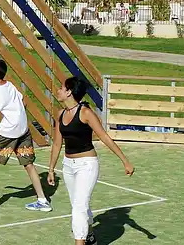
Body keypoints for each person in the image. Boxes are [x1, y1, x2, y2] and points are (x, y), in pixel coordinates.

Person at [46, 76, 135, 245]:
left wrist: (125, 161)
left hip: (87, 165)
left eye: (61, 88)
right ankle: (90, 235)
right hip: (68, 166)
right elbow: (57, 143)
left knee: (79, 207)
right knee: (78, 205)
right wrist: (51, 169)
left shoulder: (86, 113)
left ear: (69, 92)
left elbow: (104, 137)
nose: (58, 90)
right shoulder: (60, 114)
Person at [0, 59, 52, 212]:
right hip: (23, 130)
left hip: (9, 132)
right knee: (28, 164)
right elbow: (23, 101)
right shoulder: (10, 85)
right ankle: (42, 200)